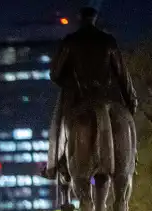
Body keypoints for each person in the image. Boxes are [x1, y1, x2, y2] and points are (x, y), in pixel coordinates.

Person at [42, 5, 138, 182]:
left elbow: (54, 74)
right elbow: (122, 74)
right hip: (107, 95)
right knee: (126, 122)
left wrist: (69, 81)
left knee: (58, 123)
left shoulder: (70, 41)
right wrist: (131, 99)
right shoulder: (108, 41)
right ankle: (132, 157)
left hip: (79, 96)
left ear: (80, 20)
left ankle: (54, 163)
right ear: (95, 20)